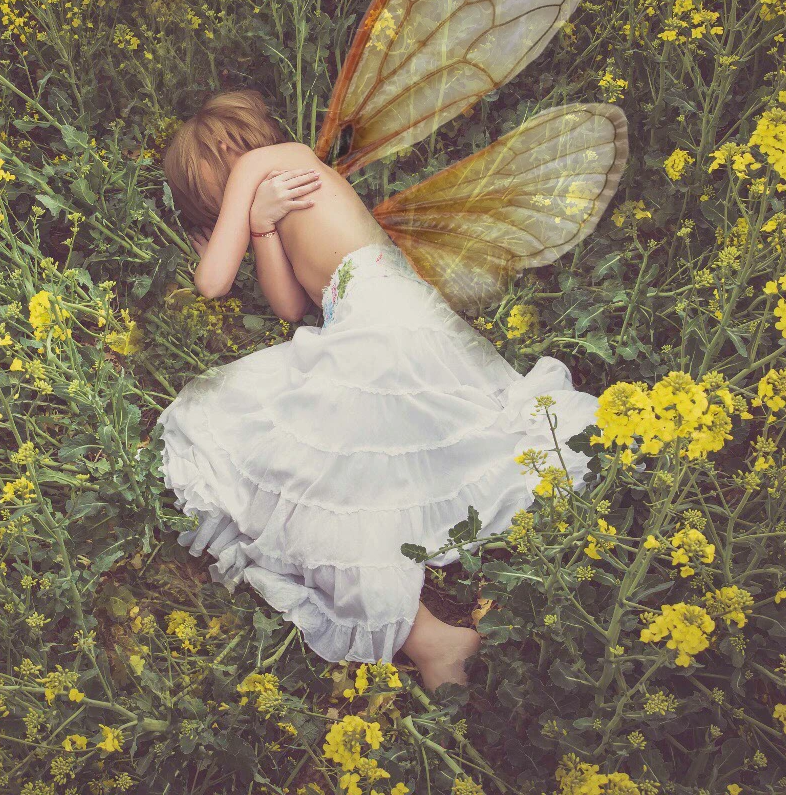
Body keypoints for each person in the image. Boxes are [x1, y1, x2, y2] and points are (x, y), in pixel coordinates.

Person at [156, 89, 600, 690]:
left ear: (222, 162)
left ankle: (427, 637)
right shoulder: (283, 194)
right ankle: (434, 636)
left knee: (307, 473)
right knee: (358, 475)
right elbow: (290, 307)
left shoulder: (271, 161)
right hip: (405, 326)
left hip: (381, 327)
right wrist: (259, 227)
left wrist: (218, 240)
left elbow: (212, 283)